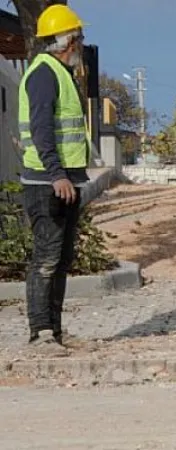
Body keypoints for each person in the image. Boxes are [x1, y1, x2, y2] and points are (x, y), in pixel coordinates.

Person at [18, 4, 90, 355]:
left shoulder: (61, 73)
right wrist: (56, 174)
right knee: (45, 260)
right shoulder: (45, 74)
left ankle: (55, 331)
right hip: (46, 183)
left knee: (60, 260)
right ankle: (40, 334)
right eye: (79, 37)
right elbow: (42, 129)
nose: (81, 45)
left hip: (63, 182)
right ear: (68, 40)